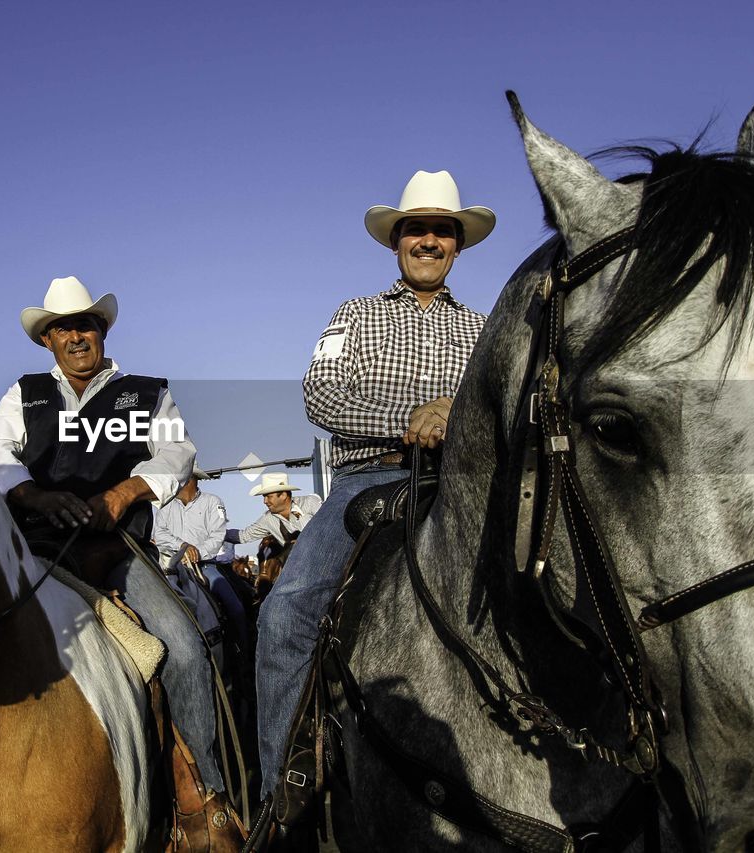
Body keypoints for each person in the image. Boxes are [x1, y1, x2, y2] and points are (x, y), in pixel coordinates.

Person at [255, 169, 496, 798]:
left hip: (457, 484)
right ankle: (286, 787)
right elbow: (321, 394)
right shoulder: (354, 314)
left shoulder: (486, 329)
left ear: (457, 245)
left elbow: (501, 410)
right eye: (416, 229)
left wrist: (457, 417)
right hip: (365, 482)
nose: (427, 241)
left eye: (441, 231)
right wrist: (409, 420)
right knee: (285, 615)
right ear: (396, 240)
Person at [0, 275, 229, 797]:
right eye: (63, 328)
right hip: (37, 550)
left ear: (103, 332)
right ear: (46, 339)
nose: (77, 337)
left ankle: (202, 796)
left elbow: (176, 453)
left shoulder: (146, 393)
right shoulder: (22, 395)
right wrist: (35, 496)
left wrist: (126, 492)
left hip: (120, 550)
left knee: (184, 650)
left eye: (87, 326)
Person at [155, 467, 249, 658]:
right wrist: (182, 546)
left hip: (205, 567)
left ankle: (245, 656)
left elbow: (218, 535)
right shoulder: (165, 507)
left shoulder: (213, 503)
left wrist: (198, 552)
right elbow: (160, 534)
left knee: (236, 609)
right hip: (172, 567)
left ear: (190, 479)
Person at [225, 472, 322, 547]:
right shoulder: (267, 519)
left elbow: (333, 525)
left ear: (283, 495)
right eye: (264, 497)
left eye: (269, 496)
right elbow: (243, 536)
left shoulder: (310, 502)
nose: (265, 501)